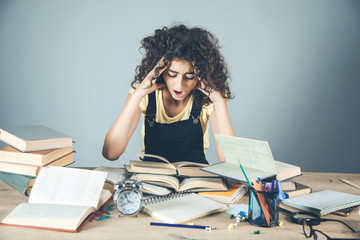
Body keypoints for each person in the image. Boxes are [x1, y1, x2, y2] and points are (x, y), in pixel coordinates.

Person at [103, 24, 235, 164]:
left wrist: (219, 101)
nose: (179, 85)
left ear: (202, 75)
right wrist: (137, 95)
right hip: (152, 181)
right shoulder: (144, 95)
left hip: (194, 182)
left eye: (189, 77)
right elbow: (111, 152)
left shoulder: (208, 99)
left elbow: (229, 161)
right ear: (160, 72)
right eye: (172, 74)